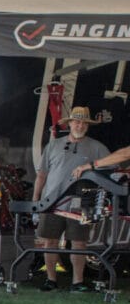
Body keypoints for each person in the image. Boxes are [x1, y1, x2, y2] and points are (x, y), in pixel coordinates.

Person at [34, 107, 109, 292]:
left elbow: (111, 169)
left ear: (88, 126)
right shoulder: (53, 145)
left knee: (79, 243)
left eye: (84, 122)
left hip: (80, 203)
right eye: (76, 121)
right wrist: (36, 199)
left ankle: (78, 282)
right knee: (49, 241)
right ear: (69, 123)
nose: (80, 125)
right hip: (51, 201)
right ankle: (50, 279)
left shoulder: (97, 147)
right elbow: (42, 174)